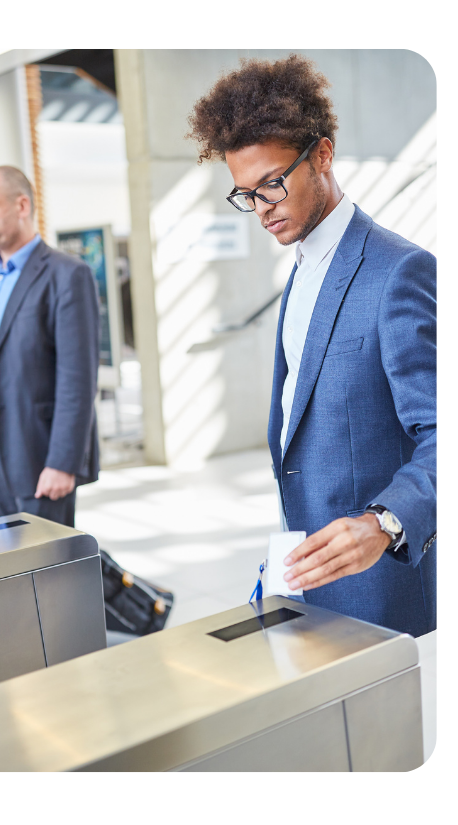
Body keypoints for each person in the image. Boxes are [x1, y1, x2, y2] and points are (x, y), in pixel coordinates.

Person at [186, 55, 436, 637]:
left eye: (273, 183)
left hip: (385, 587)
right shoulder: (302, 270)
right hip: (309, 574)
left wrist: (384, 523)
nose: (263, 208)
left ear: (322, 154)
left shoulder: (399, 272)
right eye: (246, 195)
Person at [0, 166, 100, 527]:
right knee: (13, 567)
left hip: (42, 453)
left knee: (48, 572)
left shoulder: (67, 275)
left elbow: (78, 379)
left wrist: (62, 462)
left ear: (21, 205)